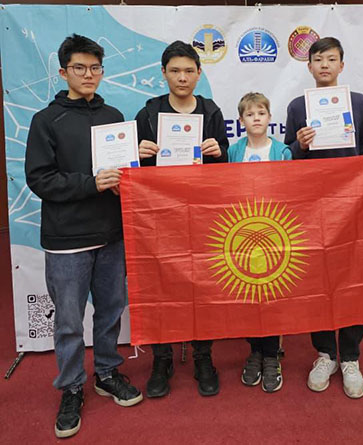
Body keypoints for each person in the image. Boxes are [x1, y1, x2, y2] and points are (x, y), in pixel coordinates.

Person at [25, 34, 143, 439]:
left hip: (112, 234)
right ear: (64, 72)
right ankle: (71, 386)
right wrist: (91, 184)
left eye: (95, 68)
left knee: (110, 311)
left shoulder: (114, 116)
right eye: (79, 67)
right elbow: (40, 179)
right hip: (67, 240)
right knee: (69, 322)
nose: (88, 74)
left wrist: (130, 177)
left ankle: (107, 372)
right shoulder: (46, 120)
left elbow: (124, 172)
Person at [136, 40, 229, 399]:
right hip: (160, 216)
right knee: (160, 287)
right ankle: (162, 358)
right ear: (163, 73)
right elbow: (133, 171)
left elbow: (223, 169)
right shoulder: (148, 113)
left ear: (199, 73)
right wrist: (138, 154)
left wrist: (218, 153)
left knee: (201, 285)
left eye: (189, 70)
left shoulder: (211, 111)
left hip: (201, 214)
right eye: (175, 71)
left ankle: (203, 355)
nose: (182, 77)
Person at [284, 37, 363, 398]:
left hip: (353, 203)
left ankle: (350, 355)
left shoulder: (359, 102)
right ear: (309, 67)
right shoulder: (297, 106)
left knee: (354, 277)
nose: (324, 65)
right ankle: (325, 353)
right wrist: (300, 145)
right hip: (312, 206)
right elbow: (286, 156)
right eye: (318, 60)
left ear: (341, 65)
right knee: (316, 278)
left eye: (331, 59)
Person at [228, 92, 291, 392]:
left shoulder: (281, 151)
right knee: (249, 294)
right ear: (241, 120)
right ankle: (255, 350)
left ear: (269, 118)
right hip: (241, 230)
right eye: (250, 114)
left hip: (275, 232)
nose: (256, 118)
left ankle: (271, 354)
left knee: (272, 293)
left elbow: (290, 190)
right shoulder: (234, 150)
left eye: (261, 113)